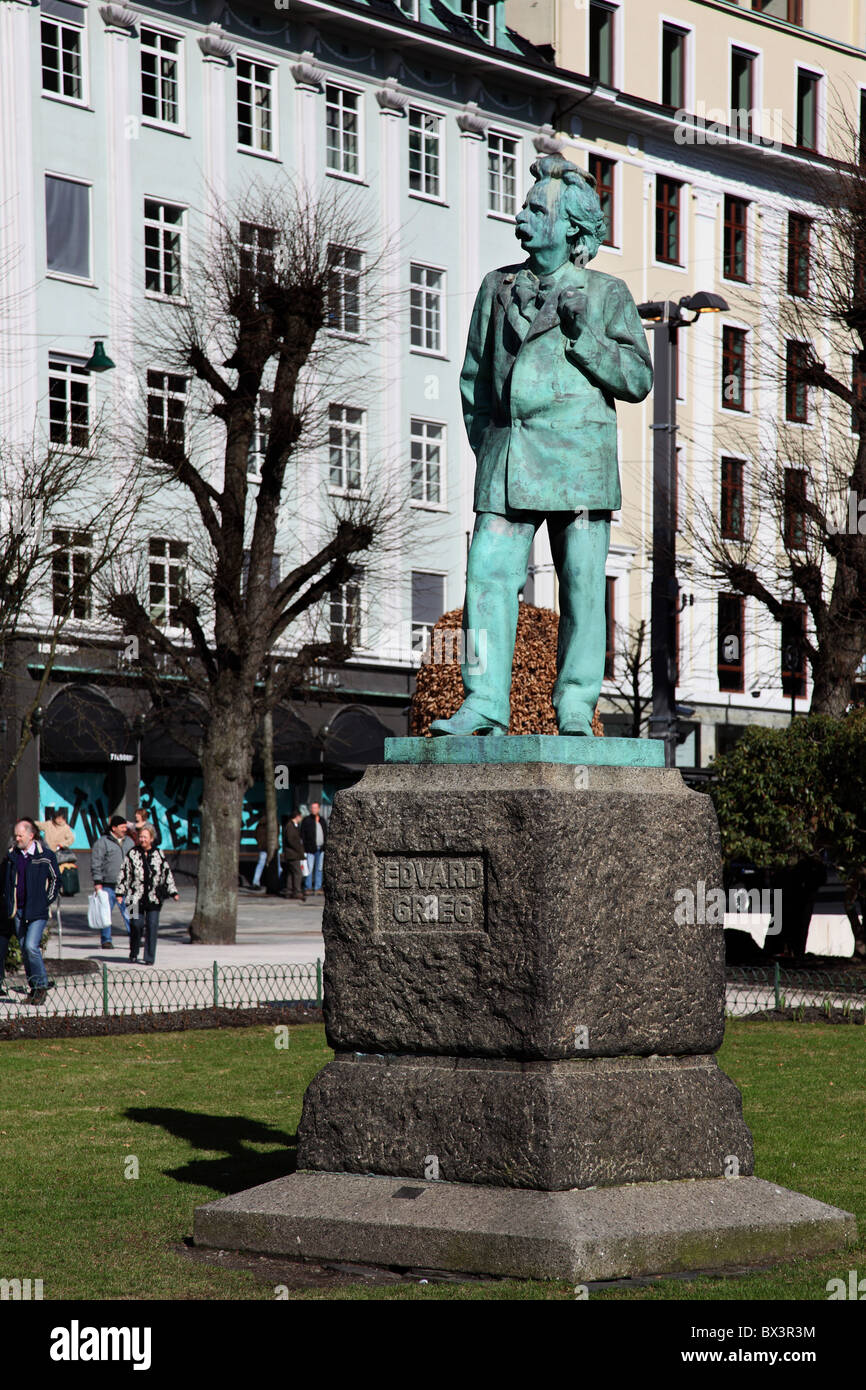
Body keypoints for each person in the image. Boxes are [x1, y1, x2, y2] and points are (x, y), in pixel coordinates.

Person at [430, 154, 652, 738]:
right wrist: (490, 448)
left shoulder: (606, 293)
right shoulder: (496, 287)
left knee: (582, 583)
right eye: (525, 207)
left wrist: (584, 339)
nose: (521, 217)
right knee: (486, 576)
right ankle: (483, 704)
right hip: (508, 461)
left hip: (580, 464)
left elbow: (637, 380)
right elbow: (474, 378)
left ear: (572, 228)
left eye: (535, 210)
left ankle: (576, 706)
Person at [0, 819, 59, 1004]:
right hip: (19, 910)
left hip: (37, 911)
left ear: (31, 835)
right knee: (25, 951)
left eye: (20, 835)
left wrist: (46, 900)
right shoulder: (12, 856)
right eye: (16, 835)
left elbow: (56, 880)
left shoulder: (45, 855)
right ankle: (34, 989)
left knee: (31, 947)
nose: (17, 839)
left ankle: (41, 987)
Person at [116, 823, 179, 965]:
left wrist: (173, 891)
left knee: (152, 925)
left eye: (145, 837)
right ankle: (133, 951)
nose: (142, 839)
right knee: (135, 924)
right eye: (141, 837)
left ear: (151, 838)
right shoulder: (132, 853)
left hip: (154, 898)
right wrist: (120, 892)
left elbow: (166, 873)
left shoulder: (158, 854)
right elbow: (124, 873)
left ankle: (149, 958)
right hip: (133, 898)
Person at [90, 815, 135, 949]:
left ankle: (135, 938)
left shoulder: (129, 842)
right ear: (114, 828)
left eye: (125, 826)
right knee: (105, 913)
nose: (124, 829)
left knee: (133, 913)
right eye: (122, 827)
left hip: (127, 885)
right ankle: (106, 940)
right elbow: (96, 863)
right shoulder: (102, 842)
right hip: (107, 885)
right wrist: (97, 882)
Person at [300, 802, 327, 894]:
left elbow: (326, 833)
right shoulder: (307, 820)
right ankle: (308, 887)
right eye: (312, 808)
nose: (313, 809)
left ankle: (317, 887)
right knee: (309, 868)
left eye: (315, 808)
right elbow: (302, 834)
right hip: (310, 849)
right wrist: (305, 847)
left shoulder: (322, 820)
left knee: (319, 869)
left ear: (319, 809)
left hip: (321, 848)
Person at [282, 812, 307, 901]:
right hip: (293, 854)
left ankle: (289, 891)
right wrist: (300, 850)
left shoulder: (291, 826)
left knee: (291, 873)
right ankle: (297, 891)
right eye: (300, 817)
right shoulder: (291, 826)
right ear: (297, 816)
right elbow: (292, 840)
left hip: (291, 854)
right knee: (297, 873)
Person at [251, 817, 268, 890]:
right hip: (267, 847)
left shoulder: (259, 825)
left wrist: (260, 843)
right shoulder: (270, 825)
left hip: (262, 847)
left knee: (260, 864)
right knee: (277, 865)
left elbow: (256, 835)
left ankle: (255, 882)